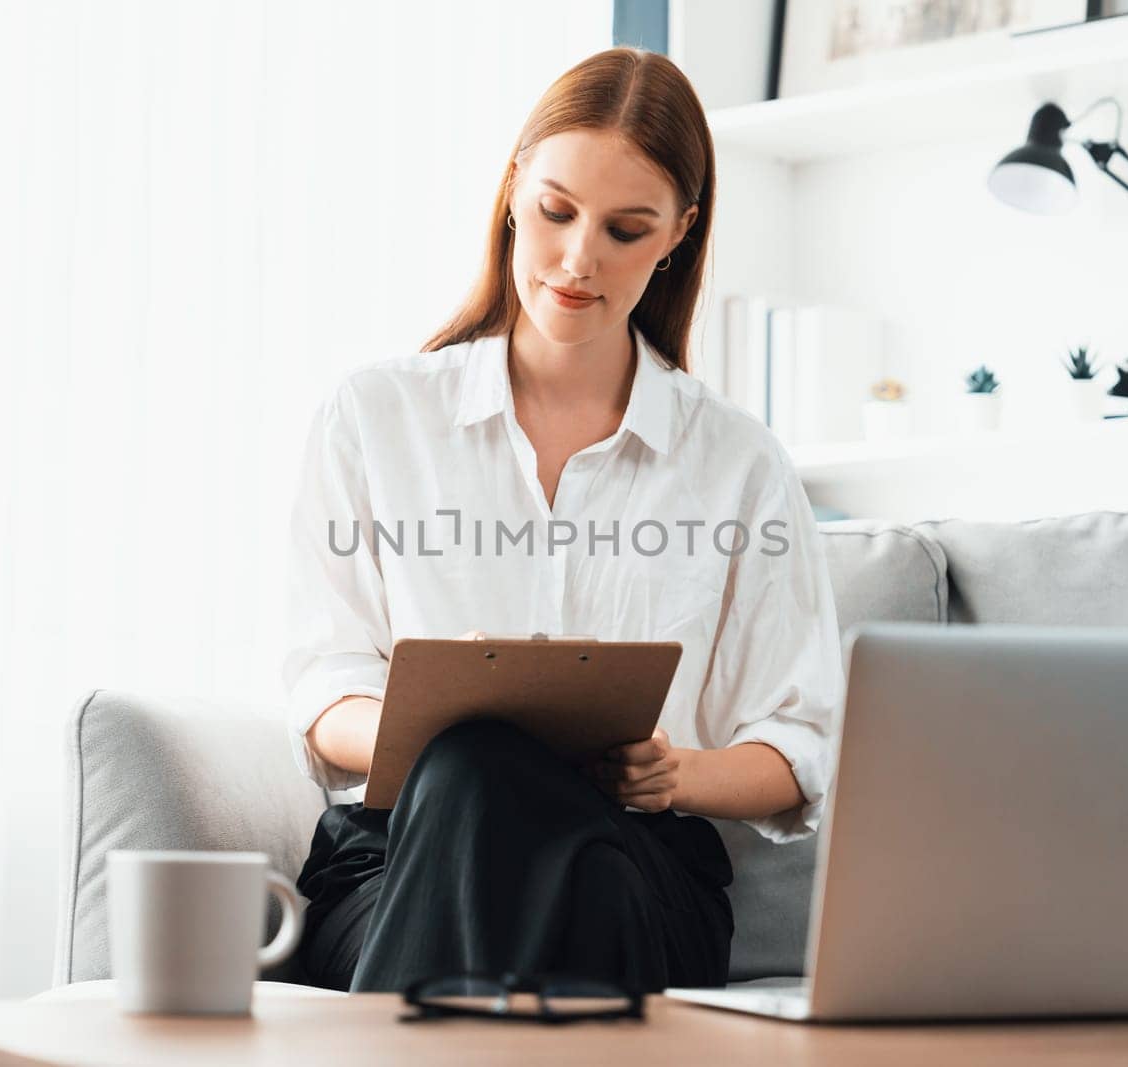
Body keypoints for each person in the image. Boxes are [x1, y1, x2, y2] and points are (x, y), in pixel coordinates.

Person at [275, 46, 844, 995]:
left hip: (634, 862)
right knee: (472, 768)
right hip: (396, 858)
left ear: (678, 235)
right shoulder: (373, 418)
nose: (580, 260)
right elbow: (322, 686)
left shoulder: (738, 462)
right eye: (555, 212)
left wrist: (676, 776)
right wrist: (432, 734)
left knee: (556, 842)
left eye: (627, 230)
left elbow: (800, 746)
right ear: (511, 190)